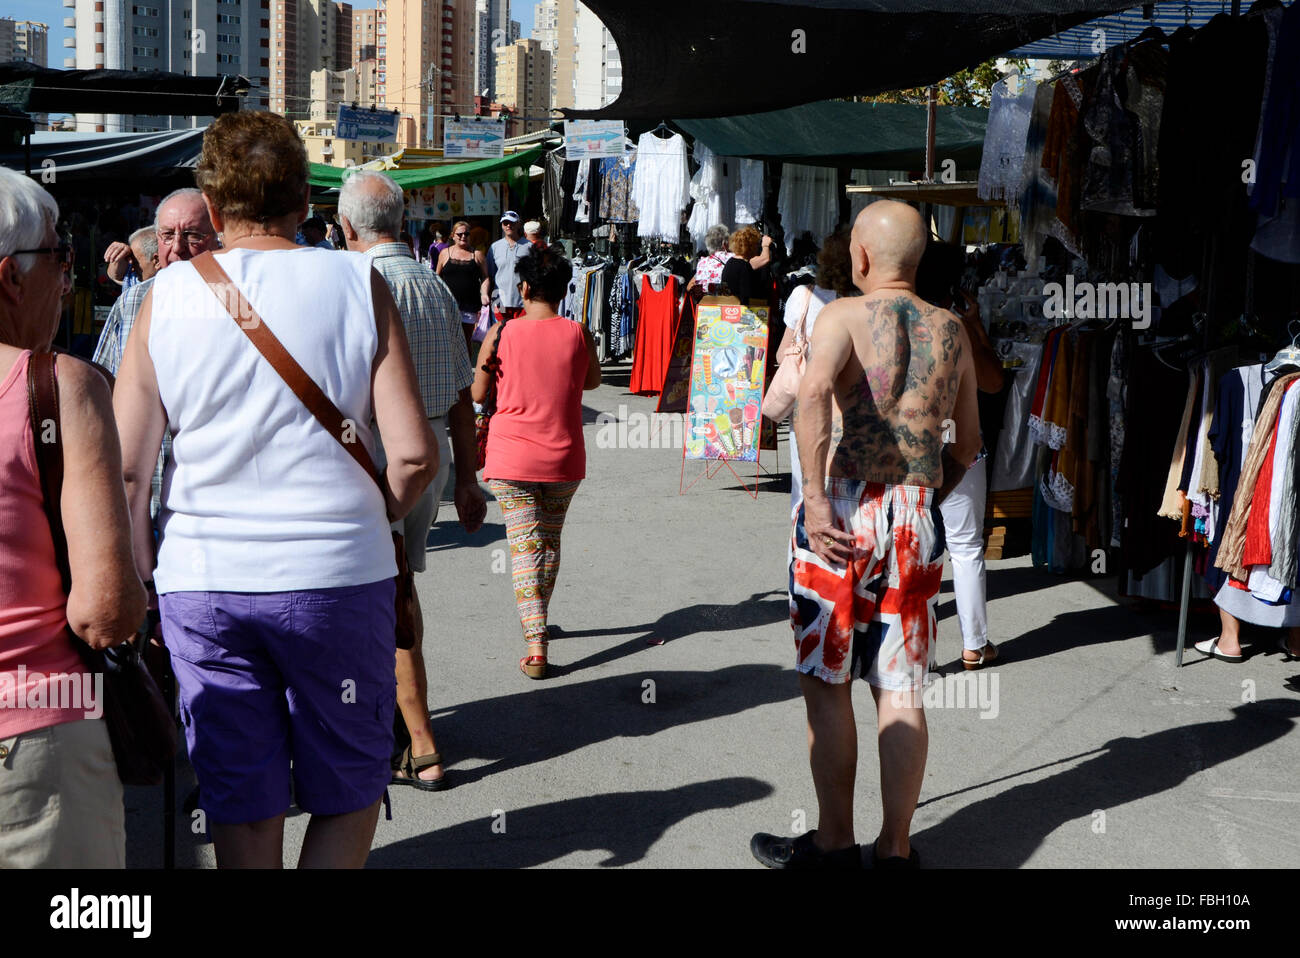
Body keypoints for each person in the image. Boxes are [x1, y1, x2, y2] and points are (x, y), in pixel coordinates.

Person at [113, 111, 438, 868]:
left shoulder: (165, 298)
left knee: (242, 800)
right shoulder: (359, 282)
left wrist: (141, 583)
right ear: (305, 199)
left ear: (215, 210)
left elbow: (131, 470)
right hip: (338, 576)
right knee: (348, 789)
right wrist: (375, 509)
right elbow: (416, 457)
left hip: (204, 581)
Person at [751, 201, 980, 870]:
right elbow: (968, 443)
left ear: (860, 258)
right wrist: (923, 501)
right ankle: (896, 849)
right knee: (900, 687)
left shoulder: (842, 315)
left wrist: (817, 499)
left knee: (829, 682)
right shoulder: (953, 330)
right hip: (912, 508)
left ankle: (832, 844)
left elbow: (814, 390)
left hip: (844, 508)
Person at [0, 166, 147, 867]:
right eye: (60, 256)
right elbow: (105, 611)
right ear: (9, 275)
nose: (69, 277)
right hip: (35, 739)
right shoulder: (60, 387)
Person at [338, 170, 487, 792]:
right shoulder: (432, 282)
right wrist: (469, 480)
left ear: (348, 228)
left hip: (378, 458)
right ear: (401, 222)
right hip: (431, 460)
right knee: (400, 588)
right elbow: (461, 395)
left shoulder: (354, 283)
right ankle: (403, 722)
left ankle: (411, 735)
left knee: (385, 597)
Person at [471, 245, 601, 679]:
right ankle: (538, 617)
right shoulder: (578, 332)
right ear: (563, 291)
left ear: (523, 288)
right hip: (564, 457)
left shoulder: (502, 333)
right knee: (549, 541)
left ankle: (536, 643)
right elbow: (593, 381)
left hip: (511, 458)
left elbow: (476, 392)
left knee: (524, 549)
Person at [915, 240, 1007, 671]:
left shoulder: (901, 315)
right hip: (960, 442)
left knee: (919, 545)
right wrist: (978, 328)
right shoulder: (958, 322)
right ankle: (974, 644)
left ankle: (922, 650)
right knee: (966, 547)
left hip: (912, 444)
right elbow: (992, 383)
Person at [772, 230, 855, 523]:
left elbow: (782, 354)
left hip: (806, 403)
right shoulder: (862, 301)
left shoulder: (802, 295)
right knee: (845, 493)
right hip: (849, 406)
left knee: (804, 485)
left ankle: (802, 557)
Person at [436, 220, 491, 351]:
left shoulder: (477, 254)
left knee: (466, 340)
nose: (463, 237)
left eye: (466, 234)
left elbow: (485, 277)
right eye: (460, 234)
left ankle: (465, 370)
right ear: (453, 236)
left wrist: (484, 294)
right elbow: (437, 277)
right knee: (448, 339)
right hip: (447, 304)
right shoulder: (444, 253)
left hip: (469, 305)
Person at [487, 211, 533, 320]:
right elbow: (490, 275)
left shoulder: (529, 246)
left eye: (512, 222)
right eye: (505, 223)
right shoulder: (494, 247)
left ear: (518, 224)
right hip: (499, 300)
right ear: (502, 225)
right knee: (500, 332)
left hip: (522, 300)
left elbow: (535, 274)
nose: (508, 225)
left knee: (520, 333)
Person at [719, 225, 776, 303]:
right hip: (742, 310)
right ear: (750, 247)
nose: (756, 248)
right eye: (756, 245)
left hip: (729, 307)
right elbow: (746, 294)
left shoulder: (730, 262)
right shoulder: (744, 266)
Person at [686, 224, 734, 297]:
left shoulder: (702, 262)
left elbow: (689, 287)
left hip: (704, 303)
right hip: (724, 303)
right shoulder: (732, 257)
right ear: (724, 244)